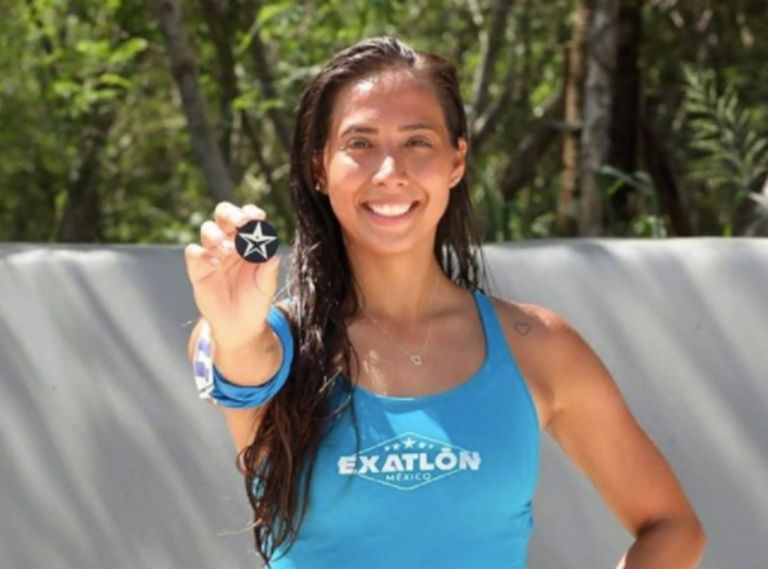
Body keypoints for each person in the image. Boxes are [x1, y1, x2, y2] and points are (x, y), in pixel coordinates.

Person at [184, 37, 705, 569]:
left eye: (417, 141)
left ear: (456, 161)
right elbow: (239, 362)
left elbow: (672, 526)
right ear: (320, 167)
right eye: (360, 143)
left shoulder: (537, 347)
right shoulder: (265, 340)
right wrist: (233, 332)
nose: (390, 171)